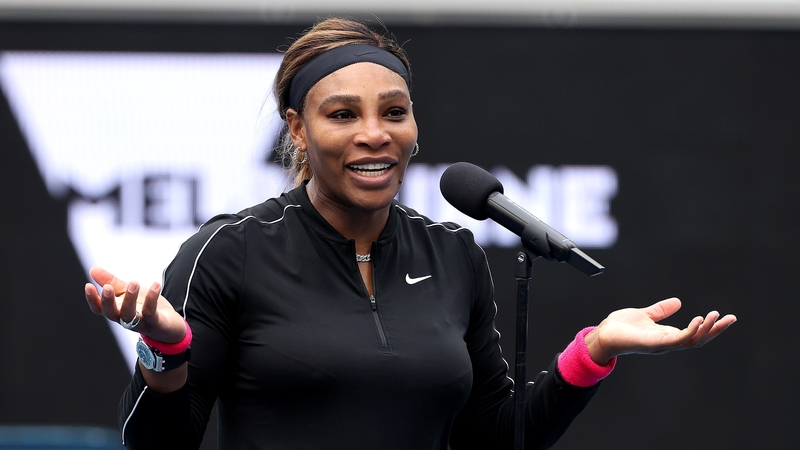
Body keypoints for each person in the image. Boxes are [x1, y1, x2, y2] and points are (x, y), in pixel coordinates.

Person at [83, 18, 736, 450]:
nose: (376, 134)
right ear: (299, 130)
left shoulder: (454, 254)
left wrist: (595, 350)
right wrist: (165, 355)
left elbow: (495, 438)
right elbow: (154, 444)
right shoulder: (232, 252)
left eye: (394, 112)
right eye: (343, 114)